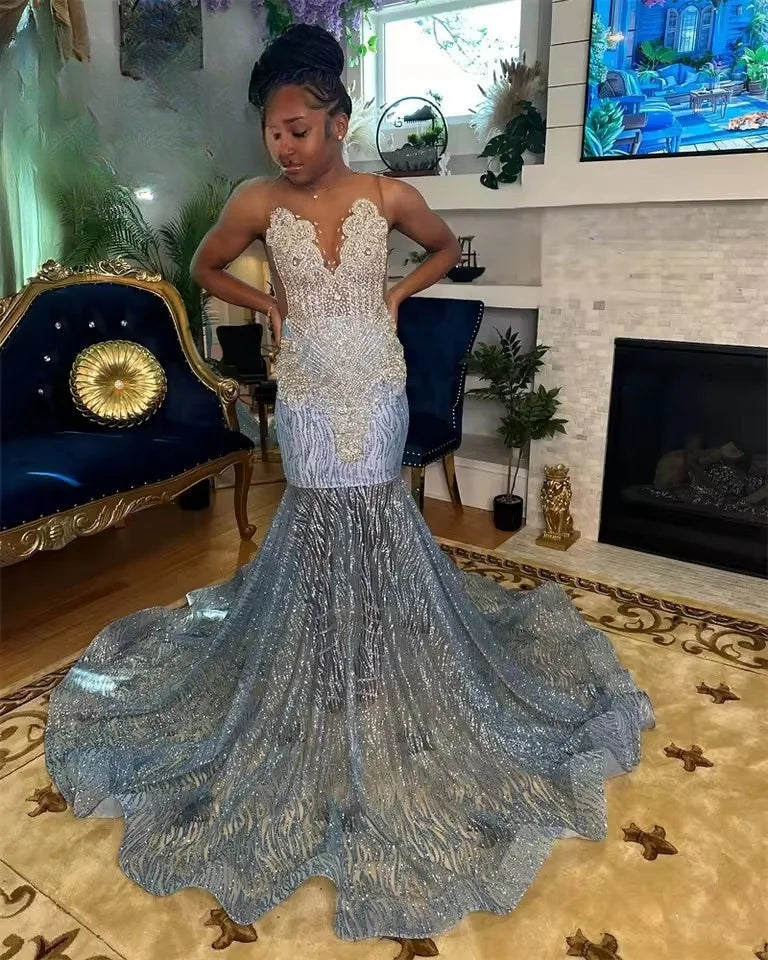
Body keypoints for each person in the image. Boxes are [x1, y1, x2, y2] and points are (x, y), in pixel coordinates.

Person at [45, 24, 654, 946]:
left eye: (297, 129)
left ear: (338, 120)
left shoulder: (386, 194)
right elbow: (205, 267)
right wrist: (272, 303)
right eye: (272, 131)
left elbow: (442, 248)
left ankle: (379, 658)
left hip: (372, 382)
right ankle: (320, 656)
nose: (282, 146)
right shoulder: (255, 200)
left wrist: (398, 297)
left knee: (373, 512)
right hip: (305, 386)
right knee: (317, 516)